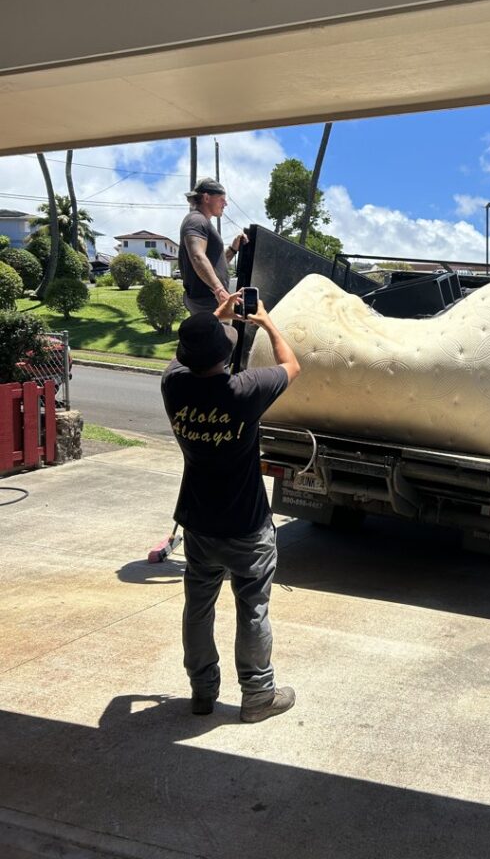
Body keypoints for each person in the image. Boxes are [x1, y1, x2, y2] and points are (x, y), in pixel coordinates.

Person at [160, 291, 301, 722]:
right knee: (252, 606)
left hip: (199, 523)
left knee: (198, 607)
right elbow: (292, 366)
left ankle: (202, 692)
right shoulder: (245, 390)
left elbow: (182, 359)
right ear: (225, 352)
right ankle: (258, 695)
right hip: (247, 524)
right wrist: (267, 322)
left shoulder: (173, 386)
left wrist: (216, 317)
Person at [178, 177, 248, 314]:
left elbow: (214, 264)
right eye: (222, 199)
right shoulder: (196, 220)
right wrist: (220, 290)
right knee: (219, 335)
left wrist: (233, 249)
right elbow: (197, 257)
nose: (225, 204)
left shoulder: (201, 221)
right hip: (207, 301)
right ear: (206, 198)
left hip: (209, 300)